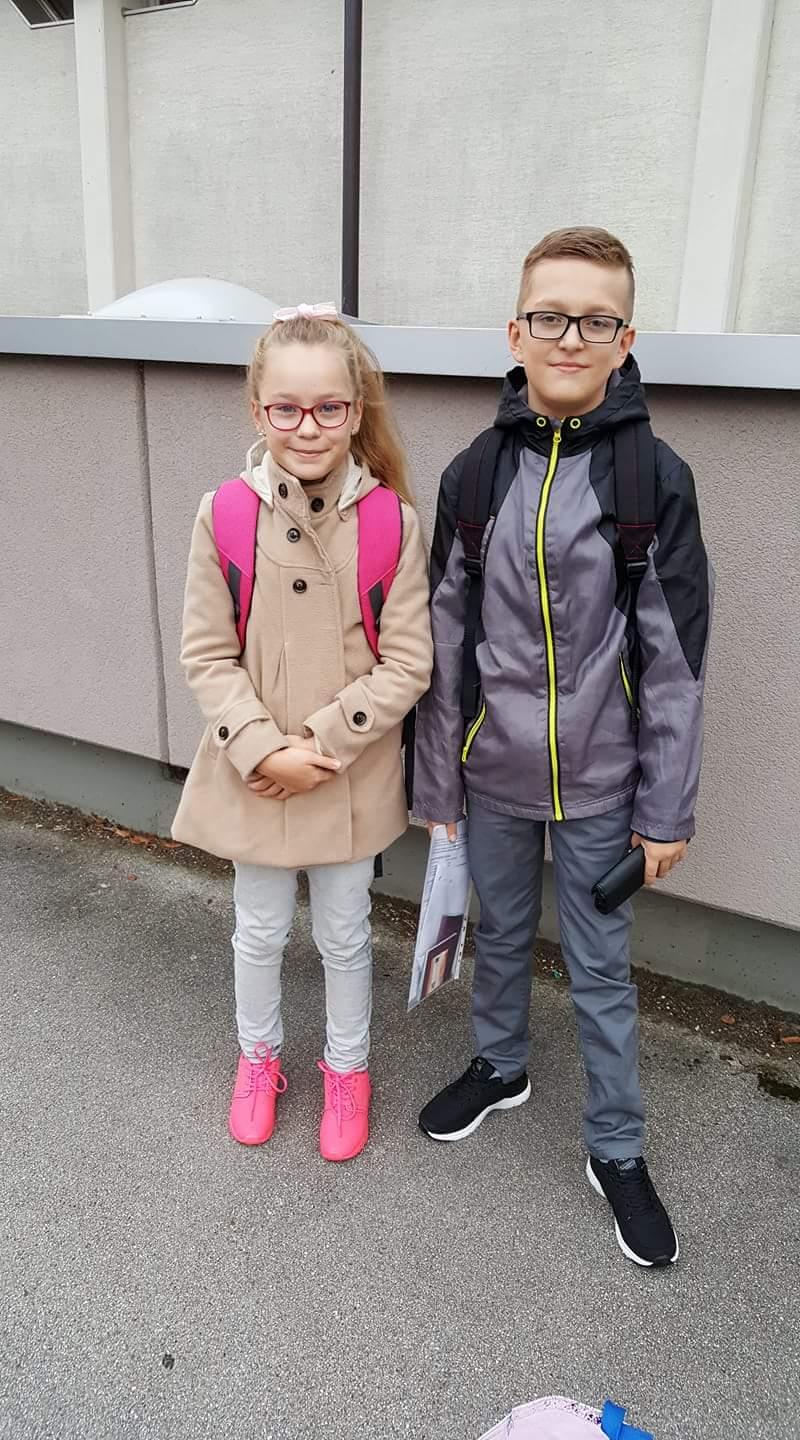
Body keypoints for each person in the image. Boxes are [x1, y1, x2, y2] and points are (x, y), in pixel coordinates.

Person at [413, 229, 714, 1266]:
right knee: (499, 933)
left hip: (602, 784)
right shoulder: (474, 473)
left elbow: (674, 661)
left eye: (595, 320)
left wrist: (664, 810)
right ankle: (500, 1066)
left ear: (625, 339)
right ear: (516, 333)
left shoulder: (650, 478)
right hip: (490, 775)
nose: (570, 337)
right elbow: (443, 639)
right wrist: (436, 785)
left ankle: (616, 1147)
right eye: (550, 316)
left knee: (599, 969)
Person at [173, 305, 433, 1162]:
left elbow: (408, 661)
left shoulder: (391, 521)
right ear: (258, 410)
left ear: (356, 412)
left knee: (345, 933)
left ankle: (347, 1070)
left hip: (345, 774)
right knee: (257, 928)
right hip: (253, 770)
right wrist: (262, 747)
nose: (307, 426)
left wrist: (319, 745)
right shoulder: (225, 513)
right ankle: (258, 1060)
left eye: (328, 407)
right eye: (286, 407)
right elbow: (206, 652)